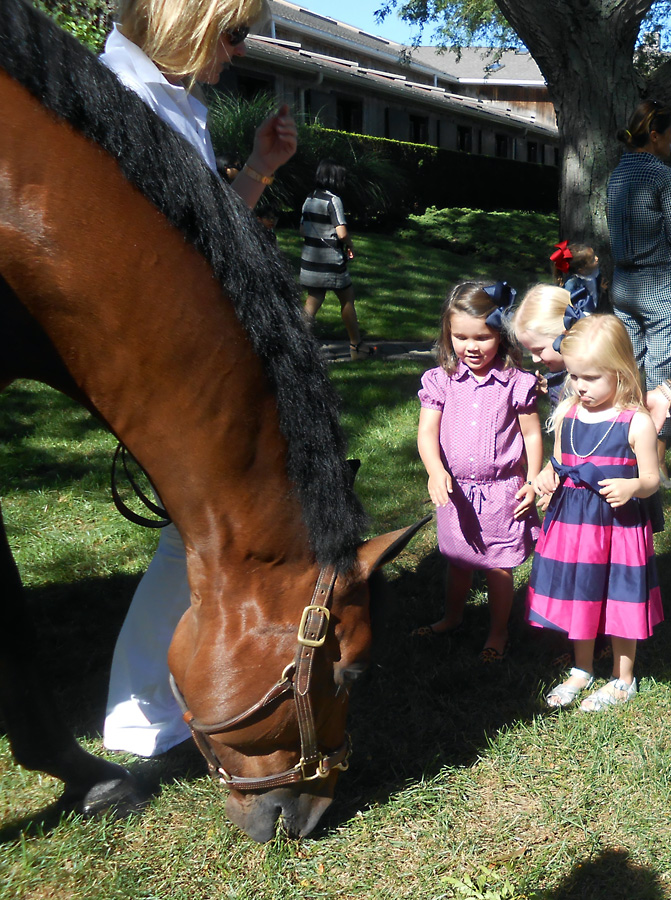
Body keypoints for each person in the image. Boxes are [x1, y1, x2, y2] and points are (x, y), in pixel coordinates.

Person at [100, 0, 298, 757]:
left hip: (194, 353)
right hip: (155, 360)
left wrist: (257, 170)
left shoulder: (176, 102)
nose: (238, 51)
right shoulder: (118, 101)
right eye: (233, 31)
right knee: (208, 524)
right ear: (187, 17)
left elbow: (209, 238)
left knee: (206, 528)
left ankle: (161, 694)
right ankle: (141, 710)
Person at [529, 315, 662, 711]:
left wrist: (632, 486)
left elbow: (653, 478)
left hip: (618, 526)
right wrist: (545, 477)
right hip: (575, 525)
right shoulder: (569, 412)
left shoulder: (635, 422)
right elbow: (559, 460)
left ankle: (623, 679)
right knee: (580, 593)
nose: (580, 387)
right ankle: (581, 668)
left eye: (590, 377)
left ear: (620, 372)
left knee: (620, 598)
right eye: (574, 376)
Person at [414, 282, 542, 661]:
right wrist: (435, 471)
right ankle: (452, 617)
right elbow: (426, 432)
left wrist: (533, 480)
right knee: (459, 562)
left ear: (501, 335)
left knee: (499, 567)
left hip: (503, 492)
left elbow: (532, 435)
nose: (471, 346)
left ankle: (499, 631)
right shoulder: (440, 380)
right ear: (447, 334)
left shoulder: (516, 383)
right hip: (456, 494)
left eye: (483, 337)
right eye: (460, 336)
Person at [607, 99, 671, 487]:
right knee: (665, 375)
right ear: (655, 135)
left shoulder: (616, 175)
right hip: (659, 284)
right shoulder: (662, 176)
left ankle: (619, 448)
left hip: (623, 285)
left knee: (628, 371)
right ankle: (657, 463)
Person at [300, 159, 373, 361]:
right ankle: (355, 346)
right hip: (330, 260)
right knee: (347, 299)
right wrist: (350, 245)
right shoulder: (333, 200)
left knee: (312, 302)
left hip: (310, 260)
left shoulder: (309, 198)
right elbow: (341, 232)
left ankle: (297, 345)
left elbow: (301, 229)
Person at [550, 240, 610, 312]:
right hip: (580, 315)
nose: (597, 258)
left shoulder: (595, 275)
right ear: (582, 270)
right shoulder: (572, 283)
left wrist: (601, 289)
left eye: (595, 256)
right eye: (592, 260)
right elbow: (566, 301)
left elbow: (594, 292)